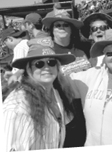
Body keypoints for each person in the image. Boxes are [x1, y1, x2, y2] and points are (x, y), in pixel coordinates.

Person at [3, 44, 76, 151]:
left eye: (52, 62)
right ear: (28, 69)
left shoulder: (56, 93)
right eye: (39, 64)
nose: (47, 68)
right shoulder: (16, 107)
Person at [42, 10, 91, 147]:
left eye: (66, 25)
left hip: (85, 105)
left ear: (71, 29)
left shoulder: (81, 52)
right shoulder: (48, 54)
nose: (62, 27)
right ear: (52, 30)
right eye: (58, 25)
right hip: (62, 107)